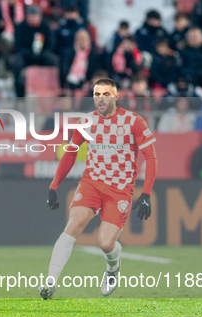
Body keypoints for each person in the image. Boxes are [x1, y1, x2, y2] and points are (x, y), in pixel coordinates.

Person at [40, 78, 158, 299]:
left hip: (120, 188)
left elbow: (151, 157)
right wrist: (54, 186)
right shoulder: (85, 122)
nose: (100, 99)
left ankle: (113, 268)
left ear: (115, 96)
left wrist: (146, 194)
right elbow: (71, 153)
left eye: (105, 94)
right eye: (96, 94)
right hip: (92, 183)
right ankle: (50, 282)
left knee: (105, 243)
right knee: (73, 225)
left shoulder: (133, 121)